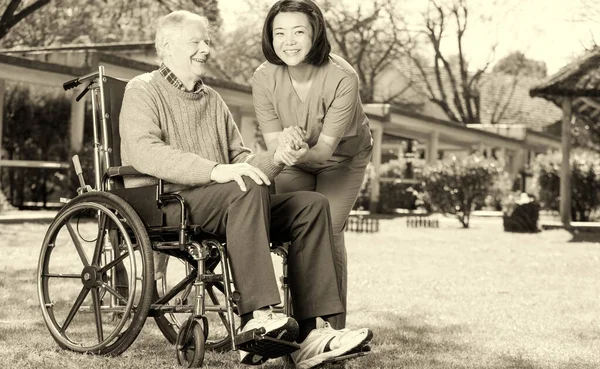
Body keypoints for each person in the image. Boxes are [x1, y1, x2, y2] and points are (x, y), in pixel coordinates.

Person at [118, 10, 372, 369]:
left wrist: (280, 156)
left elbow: (241, 158)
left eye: (206, 41)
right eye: (196, 41)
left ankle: (311, 334)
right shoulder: (143, 89)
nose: (206, 48)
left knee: (311, 206)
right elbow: (145, 151)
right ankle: (258, 315)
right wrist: (215, 170)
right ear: (165, 46)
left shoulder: (213, 100)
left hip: (227, 200)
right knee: (246, 187)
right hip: (168, 201)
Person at [253, 0, 373, 330]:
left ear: (315, 33)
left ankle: (334, 330)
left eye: (298, 31)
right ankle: (303, 329)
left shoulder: (343, 78)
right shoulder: (263, 78)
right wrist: (286, 149)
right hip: (295, 161)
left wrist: (294, 150)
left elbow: (323, 150)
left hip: (341, 160)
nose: (288, 41)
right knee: (298, 231)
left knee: (328, 232)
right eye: (279, 33)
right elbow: (273, 142)